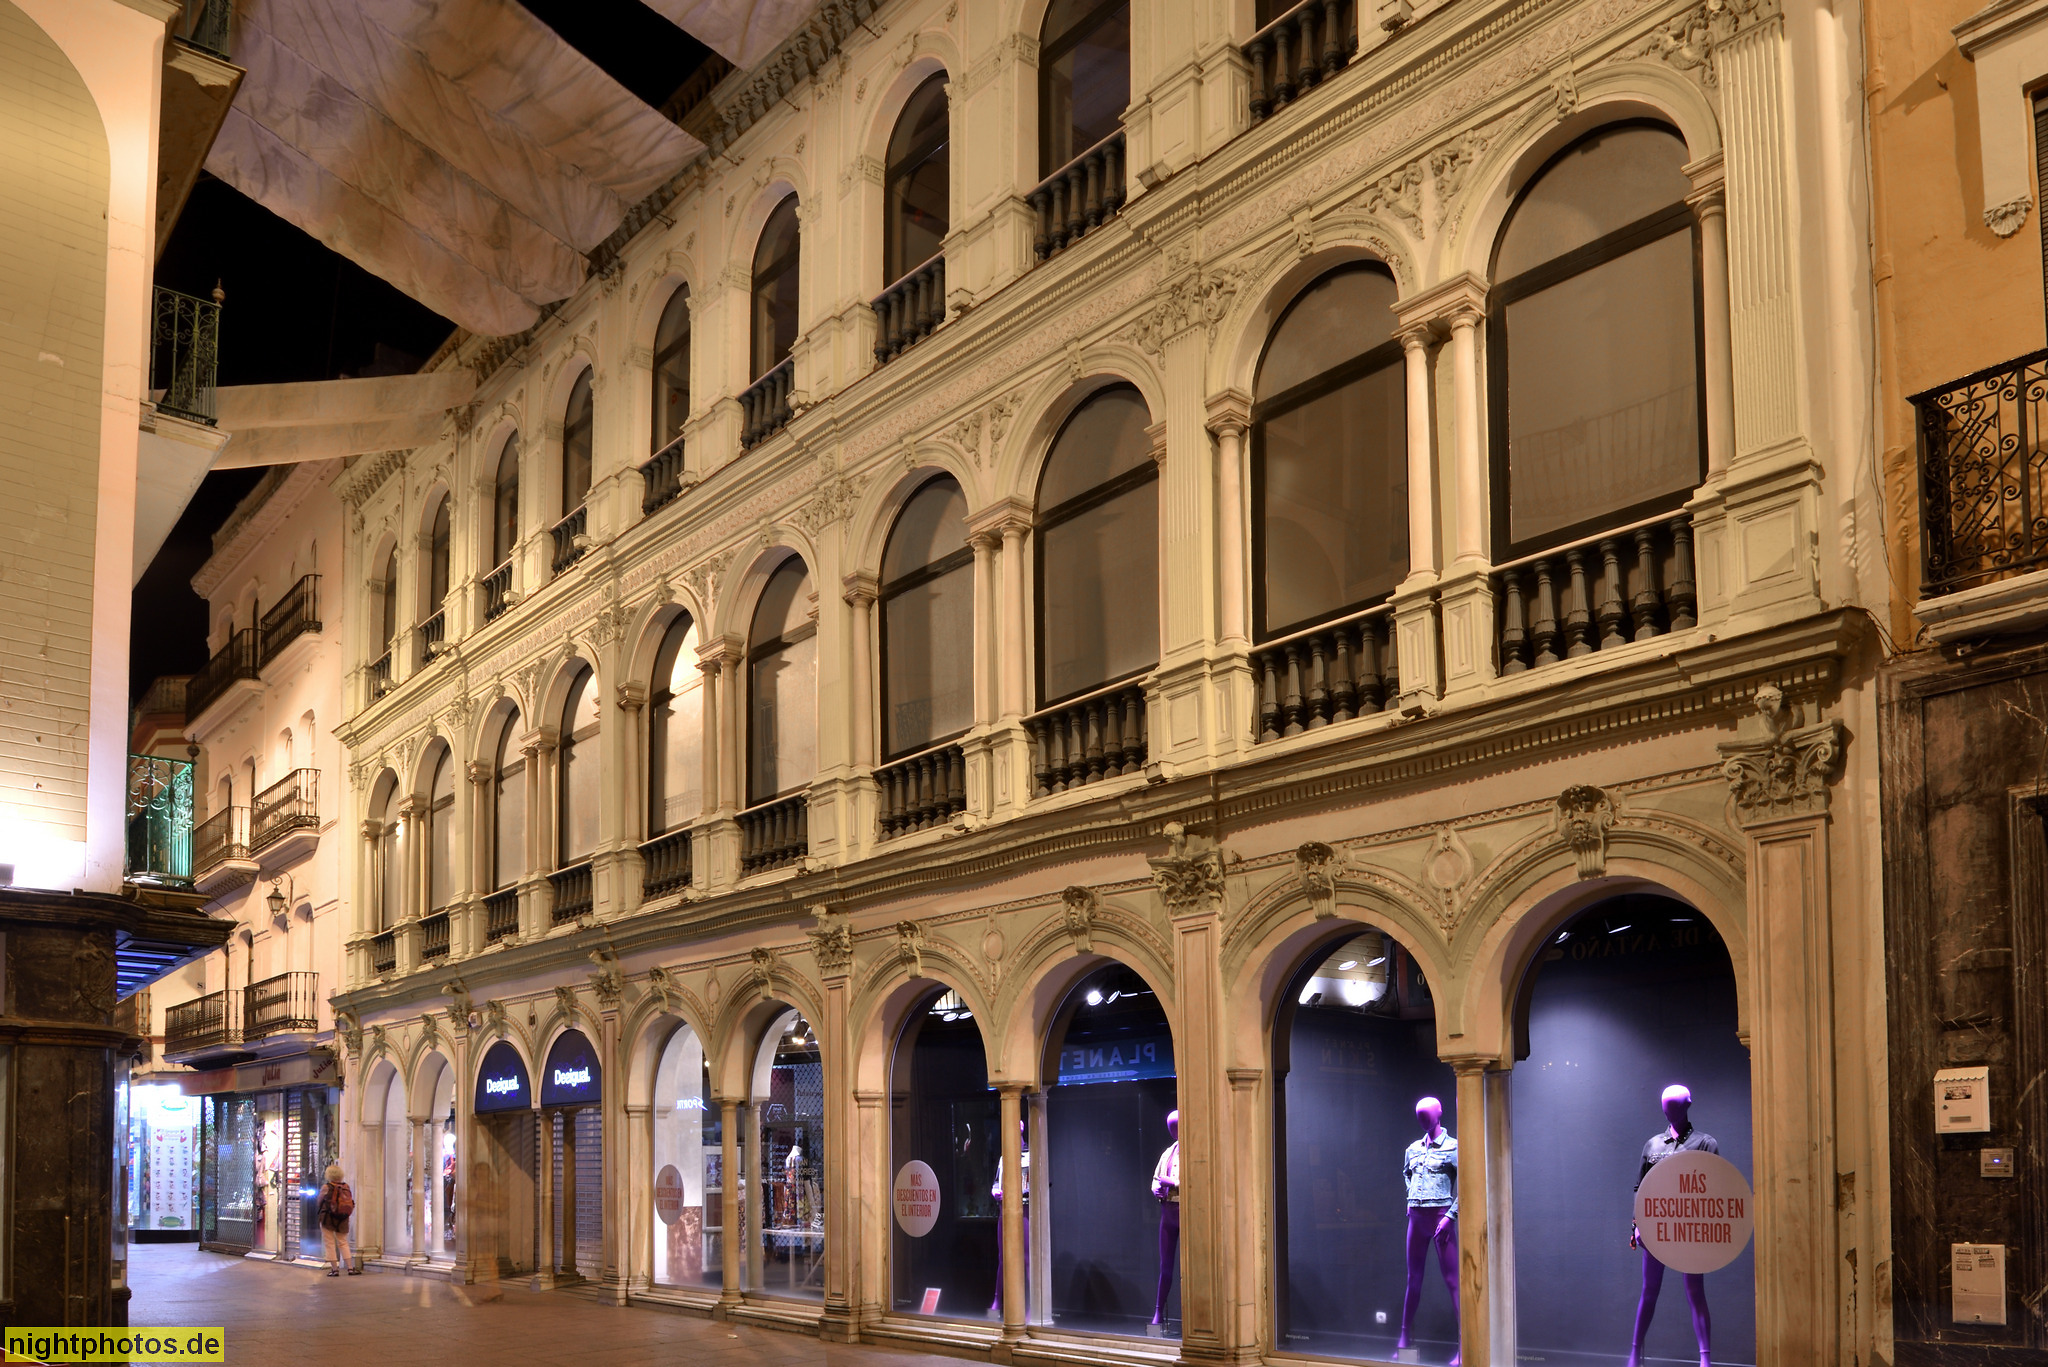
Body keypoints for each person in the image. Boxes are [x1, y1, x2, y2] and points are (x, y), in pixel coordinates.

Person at [316, 1162, 358, 1276]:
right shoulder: (346, 1187)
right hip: (343, 1218)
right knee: (343, 1242)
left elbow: (319, 1201)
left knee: (329, 1243)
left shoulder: (326, 1187)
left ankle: (334, 1269)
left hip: (328, 1218)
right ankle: (350, 1268)